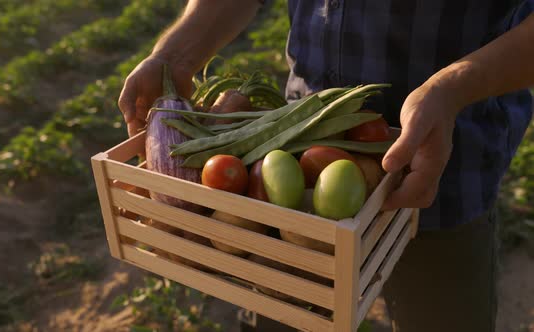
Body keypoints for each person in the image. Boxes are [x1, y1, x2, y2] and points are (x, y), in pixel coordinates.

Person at [118, 1, 534, 331]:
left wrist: (453, 86)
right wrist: (176, 54)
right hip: (297, 168)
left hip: (445, 168)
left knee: (439, 316)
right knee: (285, 311)